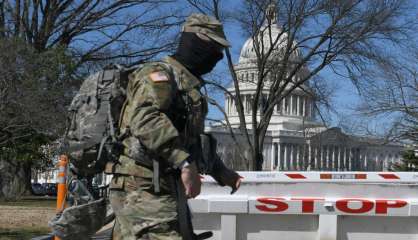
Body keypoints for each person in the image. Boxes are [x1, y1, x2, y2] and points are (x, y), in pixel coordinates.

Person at [104, 13, 242, 240]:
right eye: (214, 48)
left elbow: (192, 141)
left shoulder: (188, 87)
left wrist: (221, 172)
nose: (217, 57)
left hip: (164, 187)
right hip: (142, 188)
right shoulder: (159, 75)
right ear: (198, 43)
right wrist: (185, 163)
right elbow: (145, 119)